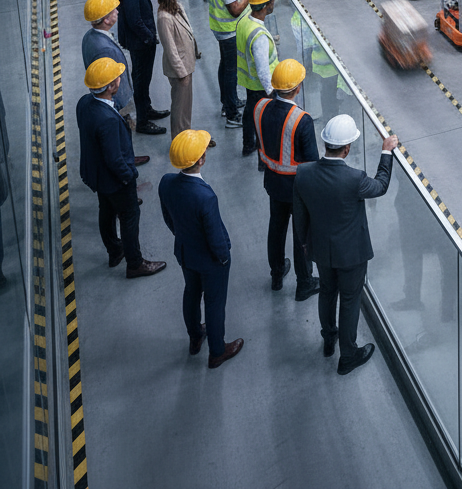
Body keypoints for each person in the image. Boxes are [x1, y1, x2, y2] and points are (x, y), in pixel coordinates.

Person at [293, 115, 398, 374]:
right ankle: (348, 354)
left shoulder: (303, 173)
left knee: (327, 291)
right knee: (350, 300)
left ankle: (329, 338)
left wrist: (306, 246)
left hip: (320, 249)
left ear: (326, 143)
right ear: (347, 148)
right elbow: (381, 186)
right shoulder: (354, 179)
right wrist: (386, 152)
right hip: (351, 254)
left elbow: (300, 215)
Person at [159, 130, 243, 369]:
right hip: (210, 261)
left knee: (191, 293)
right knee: (214, 303)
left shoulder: (166, 182)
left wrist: (183, 238)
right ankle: (217, 351)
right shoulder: (205, 197)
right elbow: (215, 236)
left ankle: (195, 336)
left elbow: (169, 218)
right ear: (201, 159)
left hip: (186, 253)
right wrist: (224, 258)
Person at [76, 58, 165, 278]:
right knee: (129, 215)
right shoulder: (107, 120)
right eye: (117, 77)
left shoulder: (85, 103)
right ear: (111, 86)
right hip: (115, 180)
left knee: (106, 211)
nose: (119, 78)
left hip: (97, 176)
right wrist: (129, 176)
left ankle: (115, 251)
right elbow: (115, 159)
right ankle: (135, 263)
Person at [255, 59, 320, 299]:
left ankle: (277, 273)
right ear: (297, 88)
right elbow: (312, 163)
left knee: (276, 227)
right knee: (301, 234)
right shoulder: (301, 120)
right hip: (297, 188)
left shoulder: (260, 107)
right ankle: (304, 282)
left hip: (273, 182)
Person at [82, 0, 148, 167]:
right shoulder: (105, 50)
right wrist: (119, 106)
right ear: (106, 20)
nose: (117, 11)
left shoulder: (90, 37)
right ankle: (128, 161)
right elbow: (110, 82)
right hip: (118, 99)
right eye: (113, 10)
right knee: (123, 133)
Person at [114, 0, 169, 136]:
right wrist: (150, 38)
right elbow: (135, 20)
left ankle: (147, 109)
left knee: (144, 79)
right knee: (141, 80)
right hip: (140, 43)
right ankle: (144, 122)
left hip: (140, 41)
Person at [156, 0, 215, 145]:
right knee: (179, 107)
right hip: (179, 69)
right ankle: (179, 142)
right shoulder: (164, 17)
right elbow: (170, 49)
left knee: (185, 106)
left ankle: (186, 135)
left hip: (186, 65)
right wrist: (182, 73)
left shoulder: (177, 7)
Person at [208, 0, 252, 129]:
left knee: (225, 66)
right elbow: (234, 9)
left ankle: (228, 103)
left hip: (219, 29)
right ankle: (233, 115)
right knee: (231, 71)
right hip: (229, 32)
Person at [237, 0, 278, 157]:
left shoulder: (245, 19)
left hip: (248, 81)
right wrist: (272, 92)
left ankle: (248, 145)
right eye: (272, 0)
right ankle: (264, 157)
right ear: (266, 6)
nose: (273, 3)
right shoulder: (259, 36)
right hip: (261, 86)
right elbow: (262, 69)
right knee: (264, 122)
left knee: (249, 112)